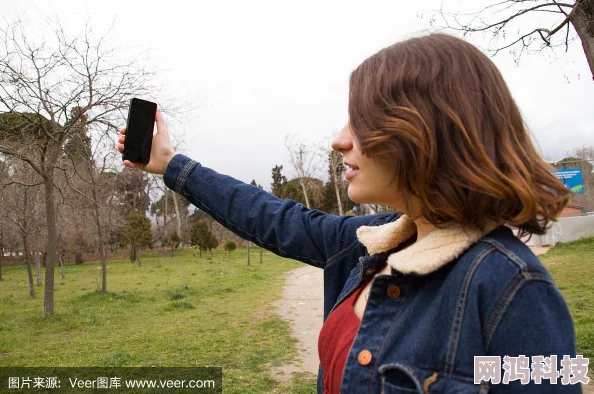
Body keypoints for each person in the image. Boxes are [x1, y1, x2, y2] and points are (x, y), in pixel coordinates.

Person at [117, 33, 581, 393]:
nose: (340, 139)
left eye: (360, 121)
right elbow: (270, 217)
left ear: (424, 128)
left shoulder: (515, 291)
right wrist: (171, 164)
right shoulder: (373, 241)